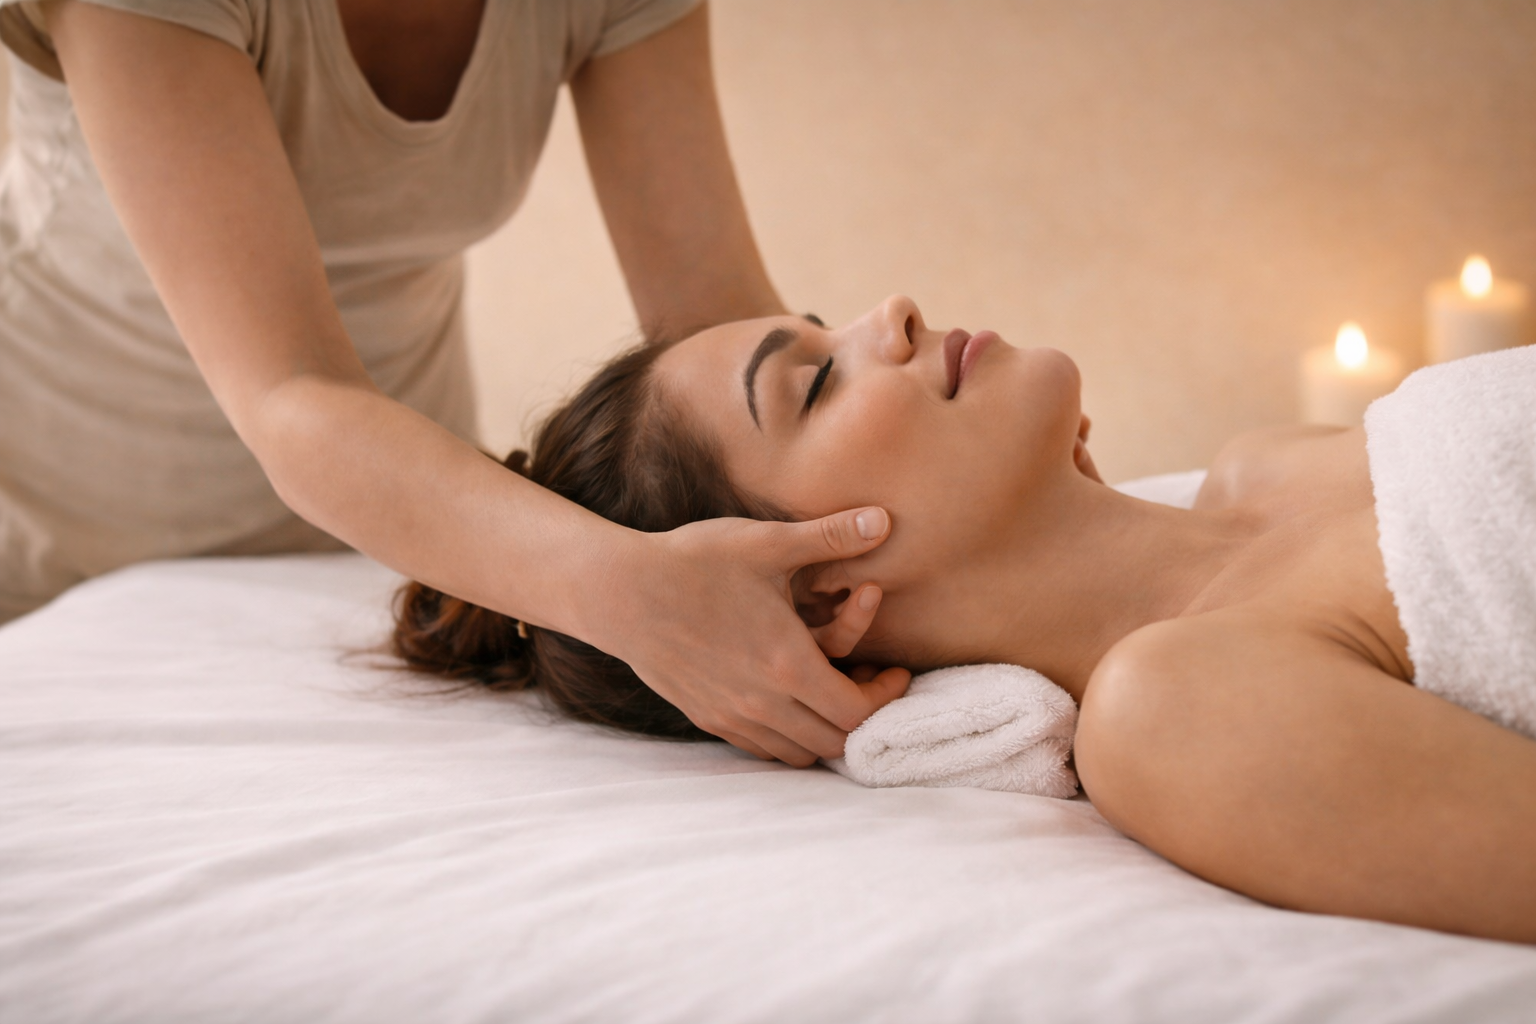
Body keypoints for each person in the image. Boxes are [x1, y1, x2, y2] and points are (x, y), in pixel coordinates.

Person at [392, 294, 1536, 944]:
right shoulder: (1172, 711)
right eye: (817, 384)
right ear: (823, 598)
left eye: (827, 325)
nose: (890, 313)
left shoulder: (1266, 461)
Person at [0, 0, 907, 765]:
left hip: (387, 527)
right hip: (51, 516)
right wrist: (627, 590)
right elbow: (290, 389)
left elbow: (721, 331)